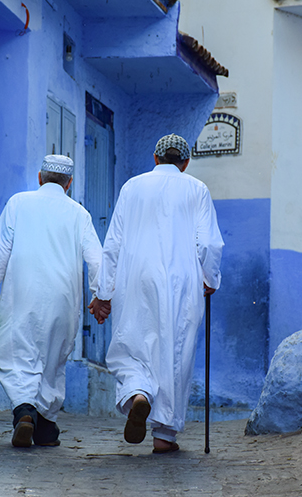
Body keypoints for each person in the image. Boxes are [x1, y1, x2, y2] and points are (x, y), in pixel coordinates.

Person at [90, 133, 224, 453]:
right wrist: (210, 278)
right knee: (175, 352)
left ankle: (139, 393)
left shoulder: (132, 187)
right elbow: (208, 244)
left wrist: (103, 292)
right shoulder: (197, 189)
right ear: (185, 162)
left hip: (134, 278)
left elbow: (113, 245)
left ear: (155, 158)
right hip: (181, 281)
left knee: (134, 343)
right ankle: (165, 437)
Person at [0, 155, 102, 448]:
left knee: (17, 353)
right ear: (69, 183)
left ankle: (25, 411)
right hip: (63, 301)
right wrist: (99, 296)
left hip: (23, 294)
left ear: (41, 178)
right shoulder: (80, 214)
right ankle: (46, 426)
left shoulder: (19, 203)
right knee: (54, 360)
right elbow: (96, 260)